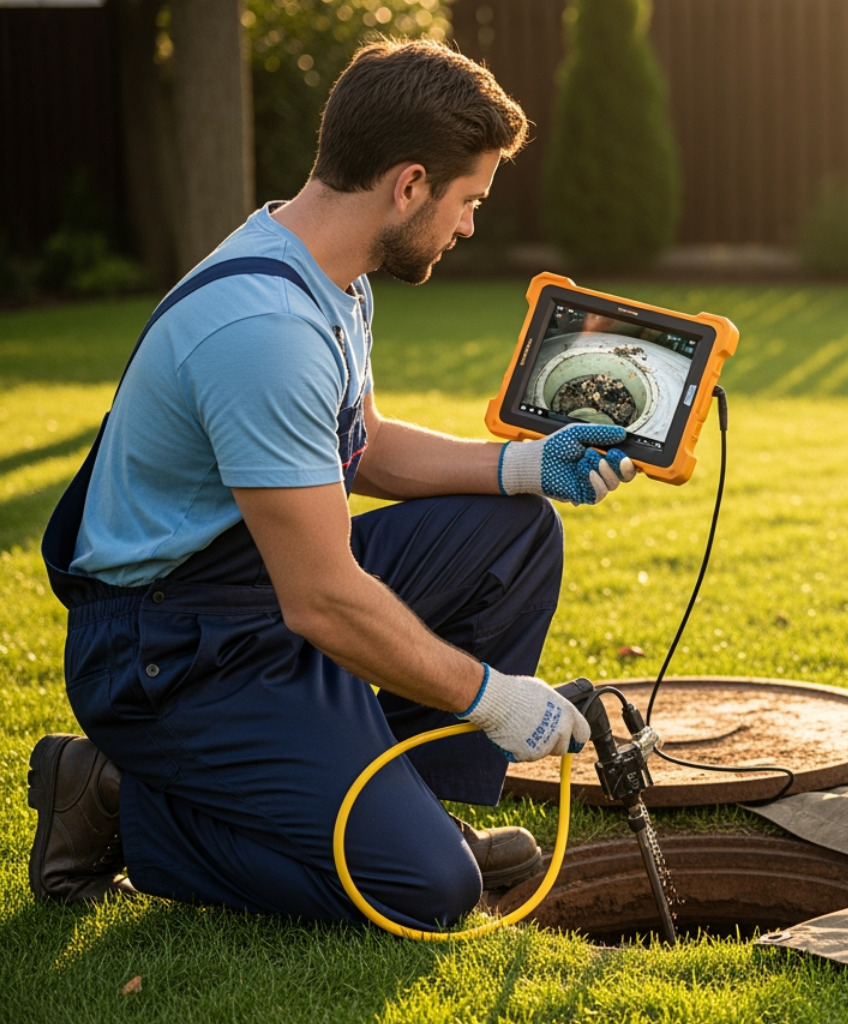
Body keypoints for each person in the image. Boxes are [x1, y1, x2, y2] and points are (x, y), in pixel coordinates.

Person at [26, 40, 637, 931]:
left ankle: (410, 810)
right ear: (410, 185)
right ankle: (119, 798)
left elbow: (363, 445)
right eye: (469, 201)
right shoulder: (266, 330)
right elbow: (321, 601)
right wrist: (494, 697)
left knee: (515, 530)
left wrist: (523, 466)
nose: (470, 226)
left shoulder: (327, 272)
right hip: (168, 649)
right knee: (427, 894)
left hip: (249, 588)